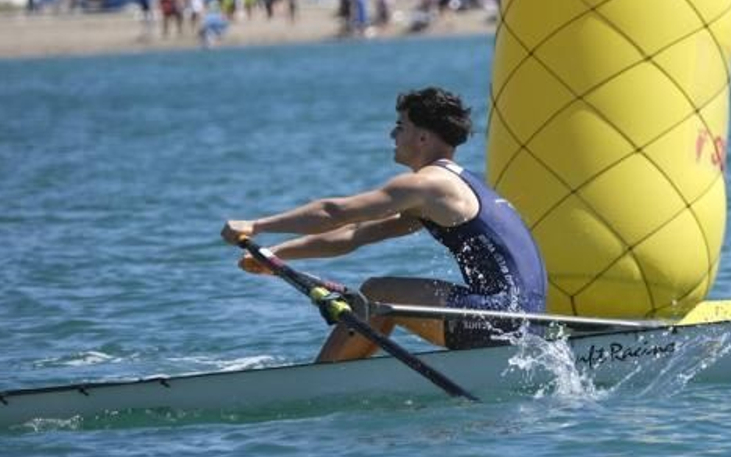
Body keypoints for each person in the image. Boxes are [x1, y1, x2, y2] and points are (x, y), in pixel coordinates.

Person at [221, 87, 547, 362]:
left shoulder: (427, 184)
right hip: (528, 323)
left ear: (421, 136)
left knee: (378, 292)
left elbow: (335, 212)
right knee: (378, 292)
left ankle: (323, 380)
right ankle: (340, 373)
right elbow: (353, 235)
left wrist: (256, 225)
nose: (392, 134)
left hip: (498, 317)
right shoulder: (457, 185)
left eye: (399, 126)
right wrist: (275, 255)